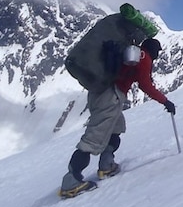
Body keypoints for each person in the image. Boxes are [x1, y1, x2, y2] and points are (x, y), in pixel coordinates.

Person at [59, 33, 176, 198]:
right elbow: (146, 86)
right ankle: (71, 181)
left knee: (117, 127)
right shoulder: (144, 59)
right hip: (111, 97)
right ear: (153, 50)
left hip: (99, 92)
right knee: (94, 138)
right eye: (157, 51)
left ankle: (106, 166)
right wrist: (165, 102)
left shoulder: (131, 52)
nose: (157, 55)